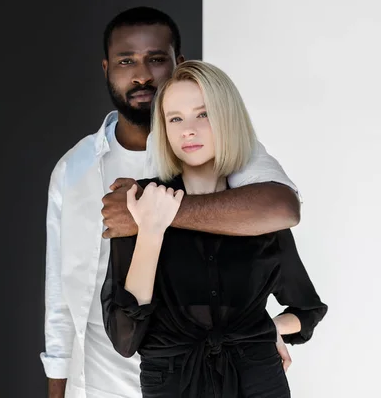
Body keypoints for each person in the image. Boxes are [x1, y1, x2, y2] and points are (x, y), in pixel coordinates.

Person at [41, 7, 302, 398]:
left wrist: (152, 213)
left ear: (179, 63)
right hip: (96, 382)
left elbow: (281, 208)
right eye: (126, 61)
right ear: (107, 67)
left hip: (191, 379)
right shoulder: (74, 168)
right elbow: (60, 294)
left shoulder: (223, 152)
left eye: (156, 59)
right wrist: (57, 388)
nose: (141, 74)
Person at [101, 60, 328, 398]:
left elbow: (307, 309)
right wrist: (151, 231)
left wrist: (272, 328)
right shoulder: (137, 201)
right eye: (175, 118)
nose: (187, 130)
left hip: (259, 382)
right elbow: (125, 337)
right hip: (174, 386)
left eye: (203, 114)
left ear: (227, 119)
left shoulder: (259, 210)